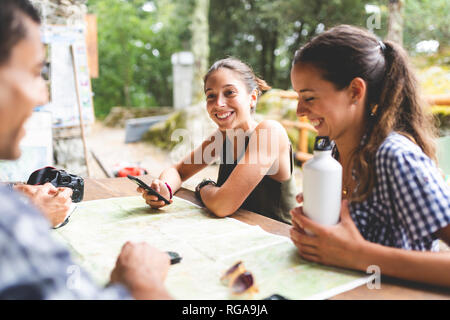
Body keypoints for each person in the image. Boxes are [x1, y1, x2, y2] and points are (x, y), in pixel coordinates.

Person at [0, 0, 171, 299]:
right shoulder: (11, 226)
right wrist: (142, 283)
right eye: (33, 71)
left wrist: (18, 195)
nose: (43, 93)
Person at [288, 25, 450, 287]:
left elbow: (351, 252)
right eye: (298, 96)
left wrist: (358, 255)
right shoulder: (333, 154)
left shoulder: (395, 157)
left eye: (309, 97)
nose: (299, 111)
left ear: (355, 91)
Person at [138, 58, 297, 223]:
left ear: (253, 97)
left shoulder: (269, 132)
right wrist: (164, 189)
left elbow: (222, 205)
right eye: (211, 96)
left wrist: (203, 187)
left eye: (229, 93)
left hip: (278, 237)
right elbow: (178, 171)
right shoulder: (223, 136)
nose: (219, 103)